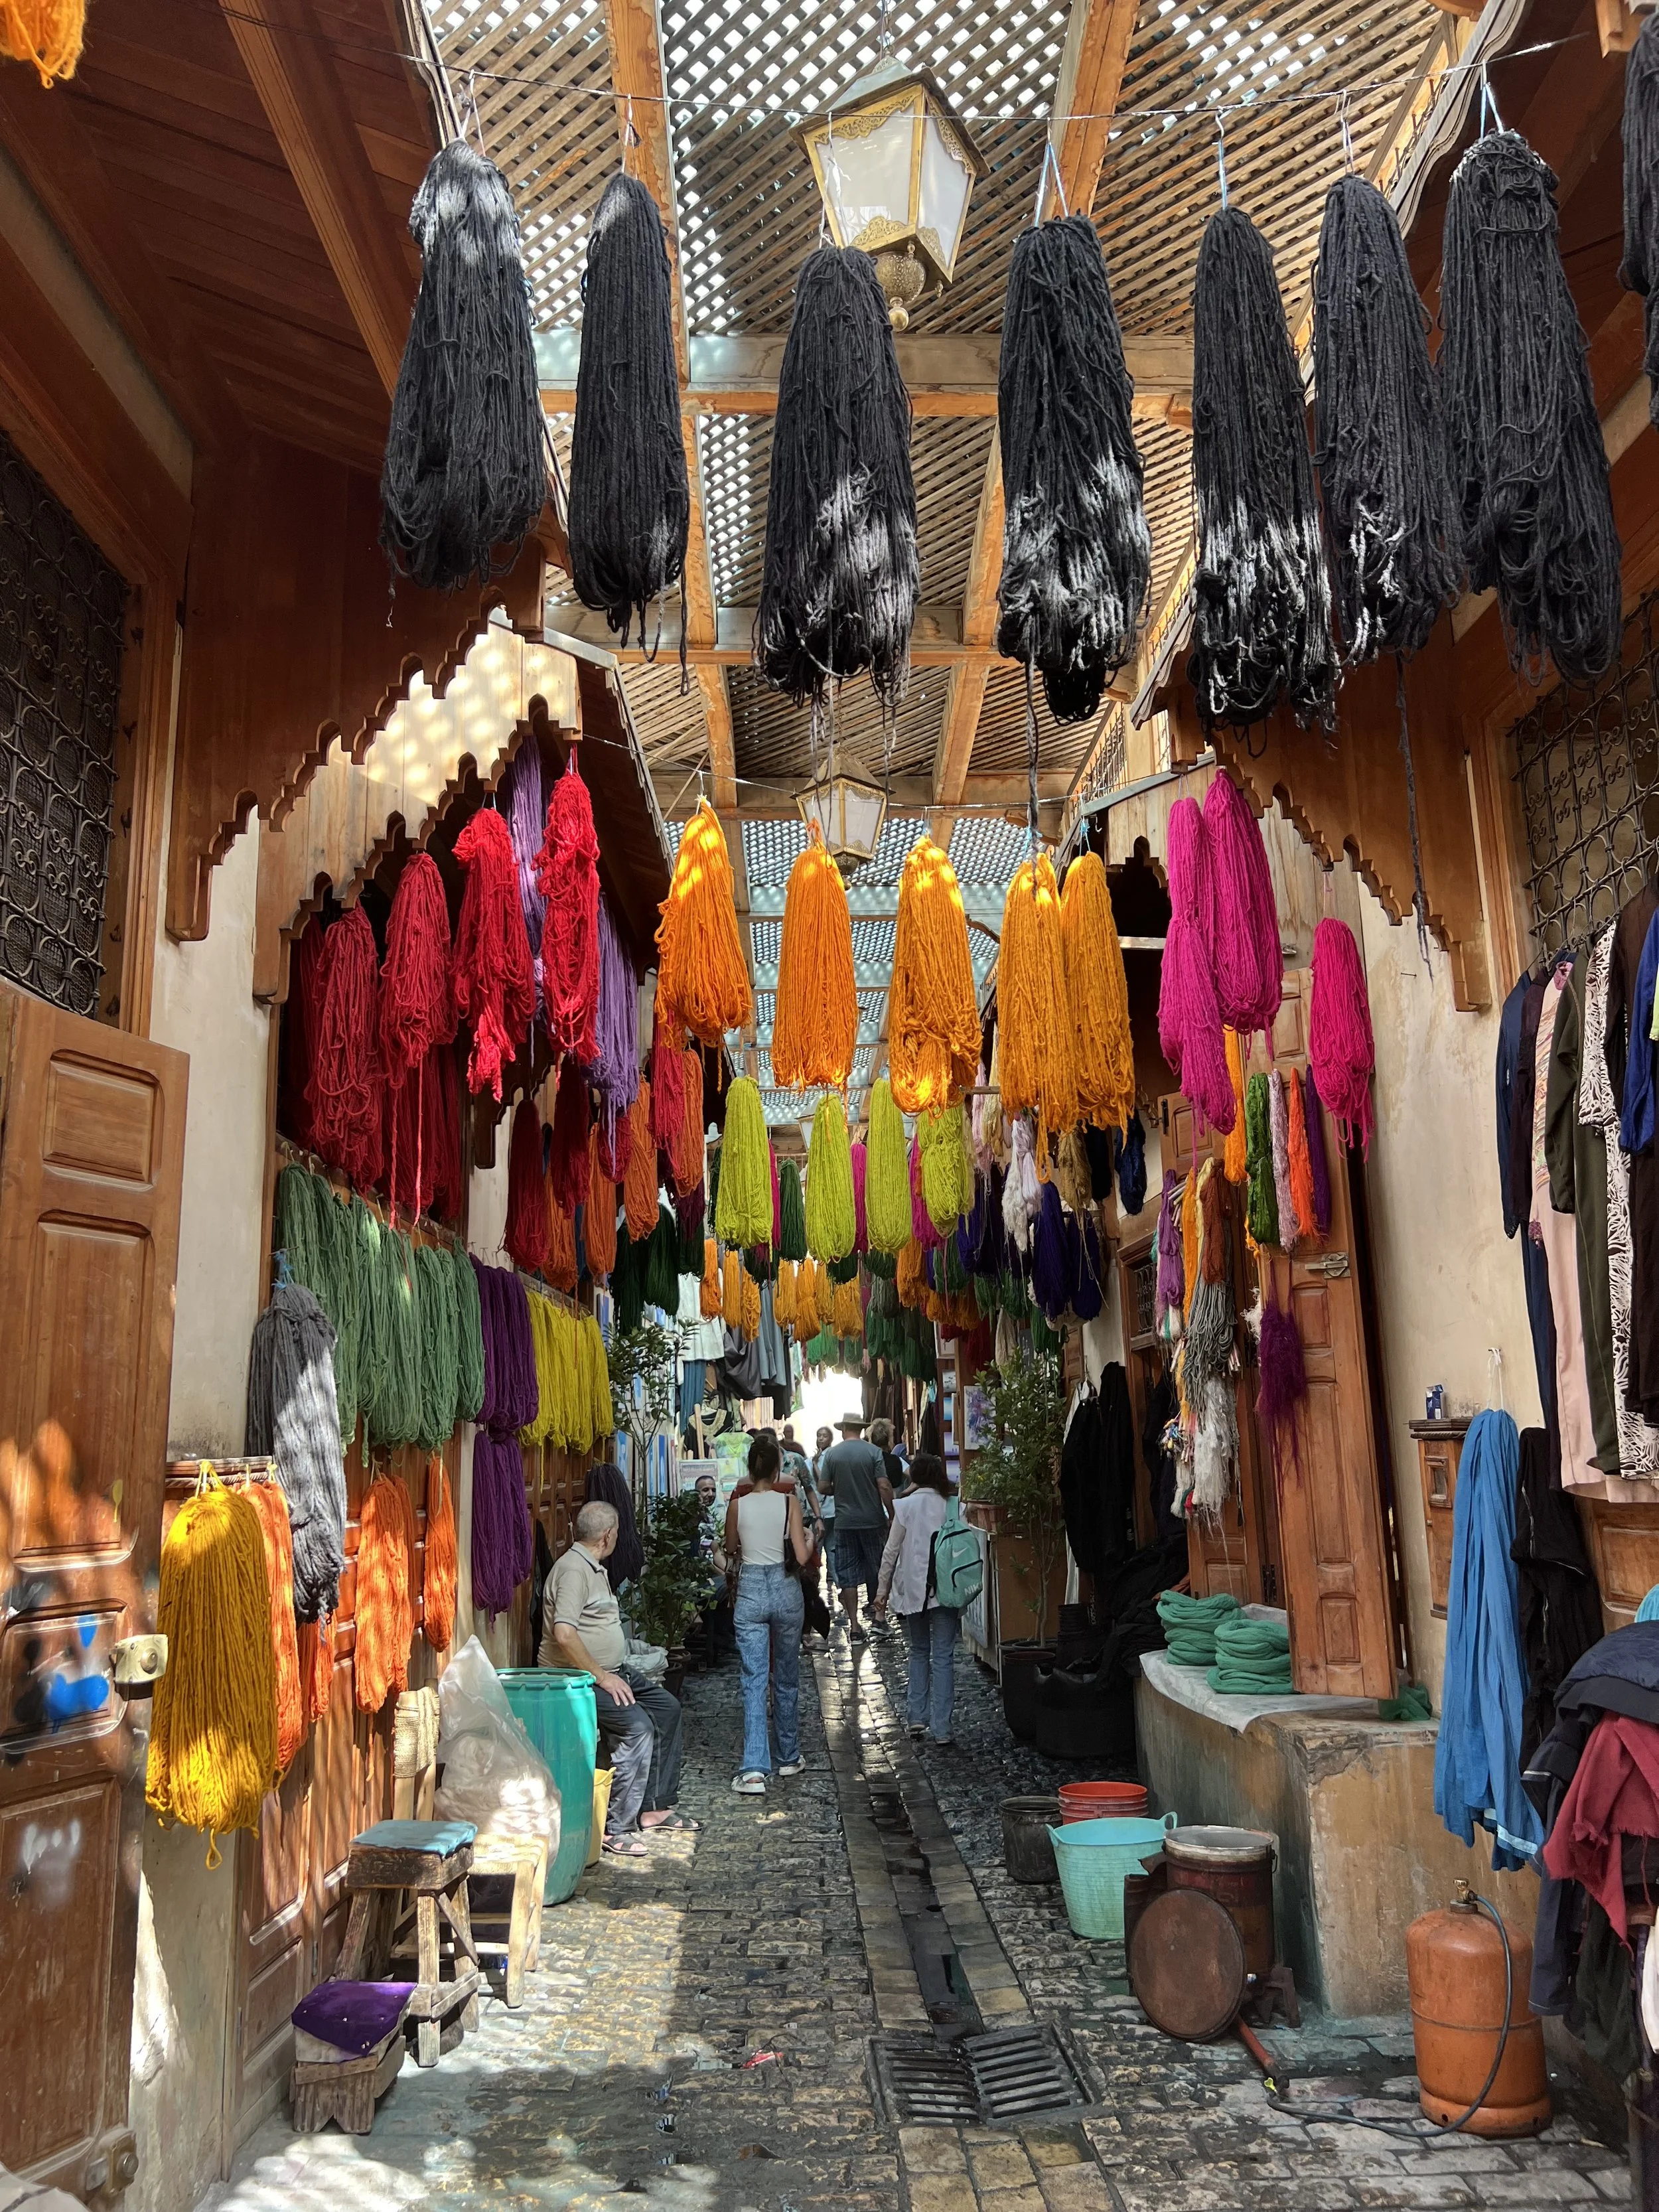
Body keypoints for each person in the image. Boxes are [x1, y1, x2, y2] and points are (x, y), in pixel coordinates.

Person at [541, 1501, 693, 1858]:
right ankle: (616, 1827)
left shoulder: (592, 1566)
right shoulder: (574, 1570)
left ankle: (655, 1807)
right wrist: (602, 1676)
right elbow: (564, 1633)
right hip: (579, 1678)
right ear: (609, 1536)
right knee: (637, 1728)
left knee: (667, 1709)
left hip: (611, 1671)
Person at [724, 1434, 814, 1794]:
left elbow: (732, 1550)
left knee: (753, 1679)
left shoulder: (737, 1506)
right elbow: (803, 1557)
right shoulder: (789, 1502)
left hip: (750, 1592)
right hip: (785, 1587)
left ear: (750, 1469)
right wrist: (809, 1538)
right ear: (778, 1468)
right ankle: (789, 1757)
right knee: (787, 1676)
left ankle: (754, 1770)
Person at [871, 1452, 960, 1745]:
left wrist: (882, 1591)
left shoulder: (906, 1506)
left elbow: (890, 1552)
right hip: (946, 1587)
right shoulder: (952, 1506)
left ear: (916, 1477)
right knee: (944, 1656)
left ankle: (917, 1717)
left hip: (914, 1588)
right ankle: (943, 1729)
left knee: (919, 1651)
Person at [816, 1413, 895, 1642]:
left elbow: (822, 1487)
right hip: (873, 1521)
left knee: (848, 1575)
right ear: (860, 1430)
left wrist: (838, 1489)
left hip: (844, 1523)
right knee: (879, 1568)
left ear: (843, 1430)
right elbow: (883, 1485)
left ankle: (855, 1626)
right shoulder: (873, 1452)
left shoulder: (832, 1454)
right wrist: (892, 1514)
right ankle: (879, 1617)